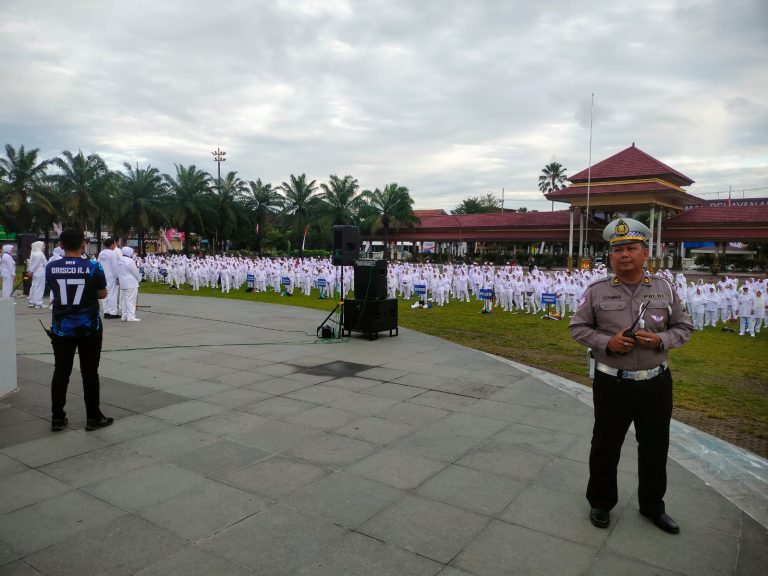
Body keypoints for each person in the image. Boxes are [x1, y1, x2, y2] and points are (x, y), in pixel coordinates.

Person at [570, 218, 693, 535]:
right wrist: (605, 343)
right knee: (605, 445)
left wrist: (662, 340)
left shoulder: (663, 289)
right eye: (618, 250)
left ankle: (653, 505)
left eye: (631, 248)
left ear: (644, 253)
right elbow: (577, 328)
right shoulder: (596, 292)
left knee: (655, 446)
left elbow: (684, 327)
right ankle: (600, 502)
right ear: (610, 256)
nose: (624, 255)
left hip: (656, 383)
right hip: (613, 382)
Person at [45, 228, 113, 431]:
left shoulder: (51, 267)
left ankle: (57, 417)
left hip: (62, 328)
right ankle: (93, 417)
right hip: (89, 327)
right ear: (83, 244)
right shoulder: (93, 267)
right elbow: (102, 294)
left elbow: (54, 291)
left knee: (61, 372)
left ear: (61, 245)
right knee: (90, 372)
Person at [97, 237, 121, 319]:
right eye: (114, 243)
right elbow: (115, 267)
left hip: (103, 275)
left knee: (105, 294)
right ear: (112, 244)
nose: (115, 245)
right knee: (112, 294)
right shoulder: (112, 253)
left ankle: (106, 311)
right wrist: (118, 277)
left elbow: (98, 264)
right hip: (111, 276)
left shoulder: (101, 253)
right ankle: (112, 312)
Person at [118, 246, 141, 321]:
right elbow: (135, 272)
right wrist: (139, 279)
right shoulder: (130, 261)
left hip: (123, 283)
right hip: (131, 283)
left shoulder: (120, 260)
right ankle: (131, 316)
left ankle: (124, 315)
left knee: (124, 300)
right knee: (131, 300)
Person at [27, 241, 48, 308]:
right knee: (39, 287)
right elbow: (37, 264)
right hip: (40, 271)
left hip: (36, 272)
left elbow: (31, 264)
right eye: (43, 245)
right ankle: (39, 303)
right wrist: (31, 271)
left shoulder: (34, 253)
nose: (44, 247)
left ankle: (32, 302)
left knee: (34, 286)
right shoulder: (39, 254)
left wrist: (30, 271)